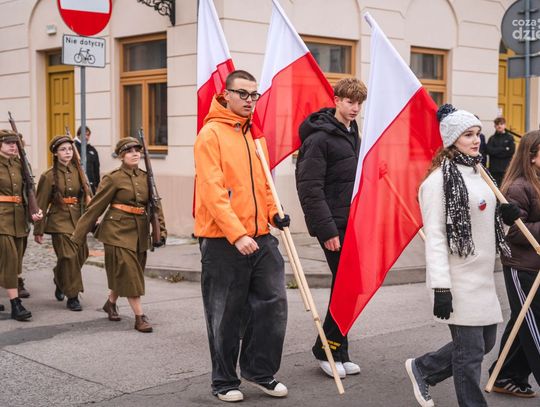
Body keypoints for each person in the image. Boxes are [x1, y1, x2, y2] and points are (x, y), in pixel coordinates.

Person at [404, 104, 521, 407]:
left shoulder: (481, 174)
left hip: (482, 277)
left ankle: (423, 368)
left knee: (486, 342)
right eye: (468, 134)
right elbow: (435, 238)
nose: (476, 140)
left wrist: (505, 218)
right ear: (452, 139)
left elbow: (486, 224)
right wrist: (441, 287)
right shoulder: (437, 183)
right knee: (469, 354)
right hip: (456, 280)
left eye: (477, 133)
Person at [194, 70, 290, 402]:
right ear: (227, 94)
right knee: (225, 314)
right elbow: (212, 191)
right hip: (223, 241)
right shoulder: (210, 134)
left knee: (273, 304)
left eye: (254, 94)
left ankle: (259, 371)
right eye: (243, 94)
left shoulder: (253, 135)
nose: (250, 100)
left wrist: (274, 212)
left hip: (261, 237)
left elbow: (264, 184)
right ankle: (224, 381)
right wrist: (236, 234)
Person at [295, 77, 367, 378]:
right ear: (336, 100)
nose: (355, 108)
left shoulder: (353, 133)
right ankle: (326, 350)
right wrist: (327, 232)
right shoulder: (319, 138)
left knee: (349, 288)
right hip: (334, 226)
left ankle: (339, 351)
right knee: (347, 288)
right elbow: (309, 188)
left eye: (359, 103)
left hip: (354, 223)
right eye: (350, 101)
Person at [71, 137, 166, 332]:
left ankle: (110, 303)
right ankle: (139, 317)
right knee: (131, 275)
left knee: (127, 273)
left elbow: (156, 206)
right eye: (129, 151)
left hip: (139, 233)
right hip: (117, 232)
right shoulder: (113, 178)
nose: (134, 154)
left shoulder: (145, 177)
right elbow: (95, 207)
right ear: (121, 156)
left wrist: (161, 231)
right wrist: (78, 236)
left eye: (137, 150)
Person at [487, 130, 540, 398]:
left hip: (537, 266)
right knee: (533, 323)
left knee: (522, 322)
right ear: (532, 156)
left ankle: (506, 375)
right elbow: (515, 231)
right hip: (523, 267)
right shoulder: (518, 186)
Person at [33, 135, 89, 311]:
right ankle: (73, 296)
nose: (67, 152)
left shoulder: (78, 171)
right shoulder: (48, 175)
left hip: (78, 220)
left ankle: (59, 278)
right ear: (56, 153)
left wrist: (90, 217)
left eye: (70, 149)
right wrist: (38, 230)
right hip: (59, 220)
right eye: (63, 149)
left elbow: (86, 197)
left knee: (82, 254)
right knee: (69, 257)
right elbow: (41, 203)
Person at [0, 130, 43, 320]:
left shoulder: (20, 164)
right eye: (8, 143)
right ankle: (15, 304)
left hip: (18, 219)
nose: (13, 146)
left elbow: (29, 191)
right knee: (9, 259)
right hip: (1, 219)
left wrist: (34, 210)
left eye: (15, 143)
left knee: (15, 259)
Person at [487, 116, 515, 186]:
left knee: (505, 187)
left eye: (501, 124)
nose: (499, 126)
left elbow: (511, 151)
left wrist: (496, 151)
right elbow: (489, 151)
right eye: (497, 124)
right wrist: (504, 149)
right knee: (495, 187)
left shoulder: (510, 138)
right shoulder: (491, 138)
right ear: (495, 126)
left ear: (505, 125)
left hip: (506, 168)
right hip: (494, 169)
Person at [74, 126, 100, 194]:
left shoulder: (92, 149)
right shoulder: (73, 148)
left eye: (88, 135)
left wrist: (97, 184)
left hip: (91, 185)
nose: (86, 137)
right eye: (84, 135)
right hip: (78, 185)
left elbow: (96, 168)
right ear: (78, 135)